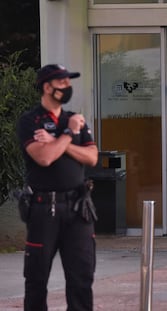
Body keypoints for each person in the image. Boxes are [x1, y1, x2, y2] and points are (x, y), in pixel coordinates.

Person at [16, 64, 99, 311]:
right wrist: (68, 134)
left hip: (78, 208)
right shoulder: (30, 121)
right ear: (46, 87)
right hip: (44, 209)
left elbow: (92, 157)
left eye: (68, 82)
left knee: (81, 278)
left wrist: (57, 140)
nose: (67, 87)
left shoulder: (73, 119)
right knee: (36, 278)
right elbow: (44, 158)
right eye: (62, 82)